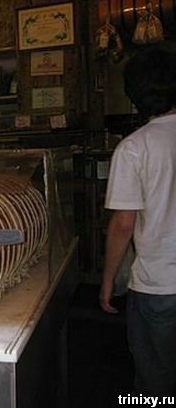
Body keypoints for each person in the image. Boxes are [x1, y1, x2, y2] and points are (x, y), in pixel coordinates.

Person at [99, 46, 176, 397]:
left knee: (155, 383)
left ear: (134, 95)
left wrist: (108, 280)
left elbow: (123, 225)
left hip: (159, 285)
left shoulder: (134, 148)